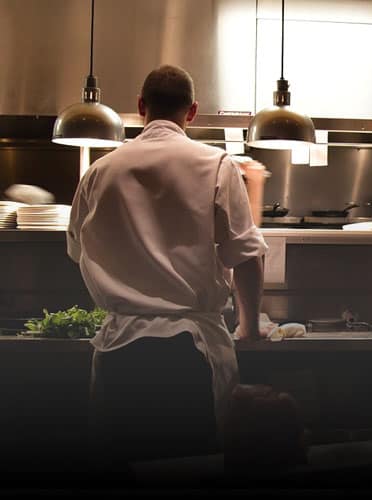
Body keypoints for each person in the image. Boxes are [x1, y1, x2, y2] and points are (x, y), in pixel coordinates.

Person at [66, 64, 268, 468]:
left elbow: (77, 249)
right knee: (192, 468)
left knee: (121, 470)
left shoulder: (99, 171)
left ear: (141, 106)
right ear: (191, 111)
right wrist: (248, 328)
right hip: (191, 351)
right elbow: (246, 255)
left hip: (120, 349)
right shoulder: (216, 164)